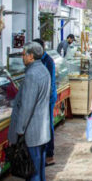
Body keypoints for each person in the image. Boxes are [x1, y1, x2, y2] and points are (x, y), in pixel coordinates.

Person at [8, 42, 51, 181]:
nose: (22, 56)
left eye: (24, 53)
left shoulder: (33, 74)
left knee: (32, 161)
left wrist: (20, 129)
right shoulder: (42, 69)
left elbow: (27, 106)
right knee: (38, 160)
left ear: (31, 56)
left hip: (32, 128)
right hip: (40, 126)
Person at [33, 38, 58, 166]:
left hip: (47, 98)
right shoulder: (38, 60)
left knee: (48, 125)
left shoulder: (47, 61)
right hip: (42, 97)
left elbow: (49, 83)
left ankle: (49, 154)